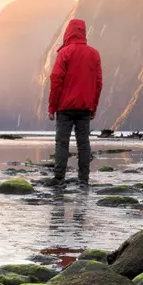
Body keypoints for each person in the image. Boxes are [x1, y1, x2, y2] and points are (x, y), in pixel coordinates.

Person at [47, 18, 103, 184]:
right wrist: (93, 107)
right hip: (85, 107)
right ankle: (84, 179)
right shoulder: (94, 54)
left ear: (68, 33)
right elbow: (98, 83)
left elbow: (56, 80)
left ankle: (59, 178)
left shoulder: (64, 53)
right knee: (83, 143)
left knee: (62, 143)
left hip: (64, 107)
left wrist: (52, 107)